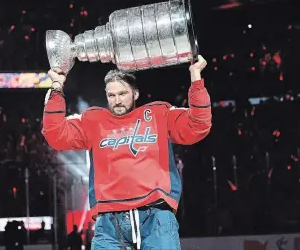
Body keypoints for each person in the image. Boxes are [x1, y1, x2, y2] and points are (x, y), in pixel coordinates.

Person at [42, 55, 211, 249]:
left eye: (122, 94)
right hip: (109, 222)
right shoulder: (93, 120)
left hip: (156, 216)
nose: (117, 100)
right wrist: (56, 86)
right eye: (111, 95)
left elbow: (198, 125)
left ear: (135, 94)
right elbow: (54, 134)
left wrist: (196, 77)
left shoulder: (158, 114)